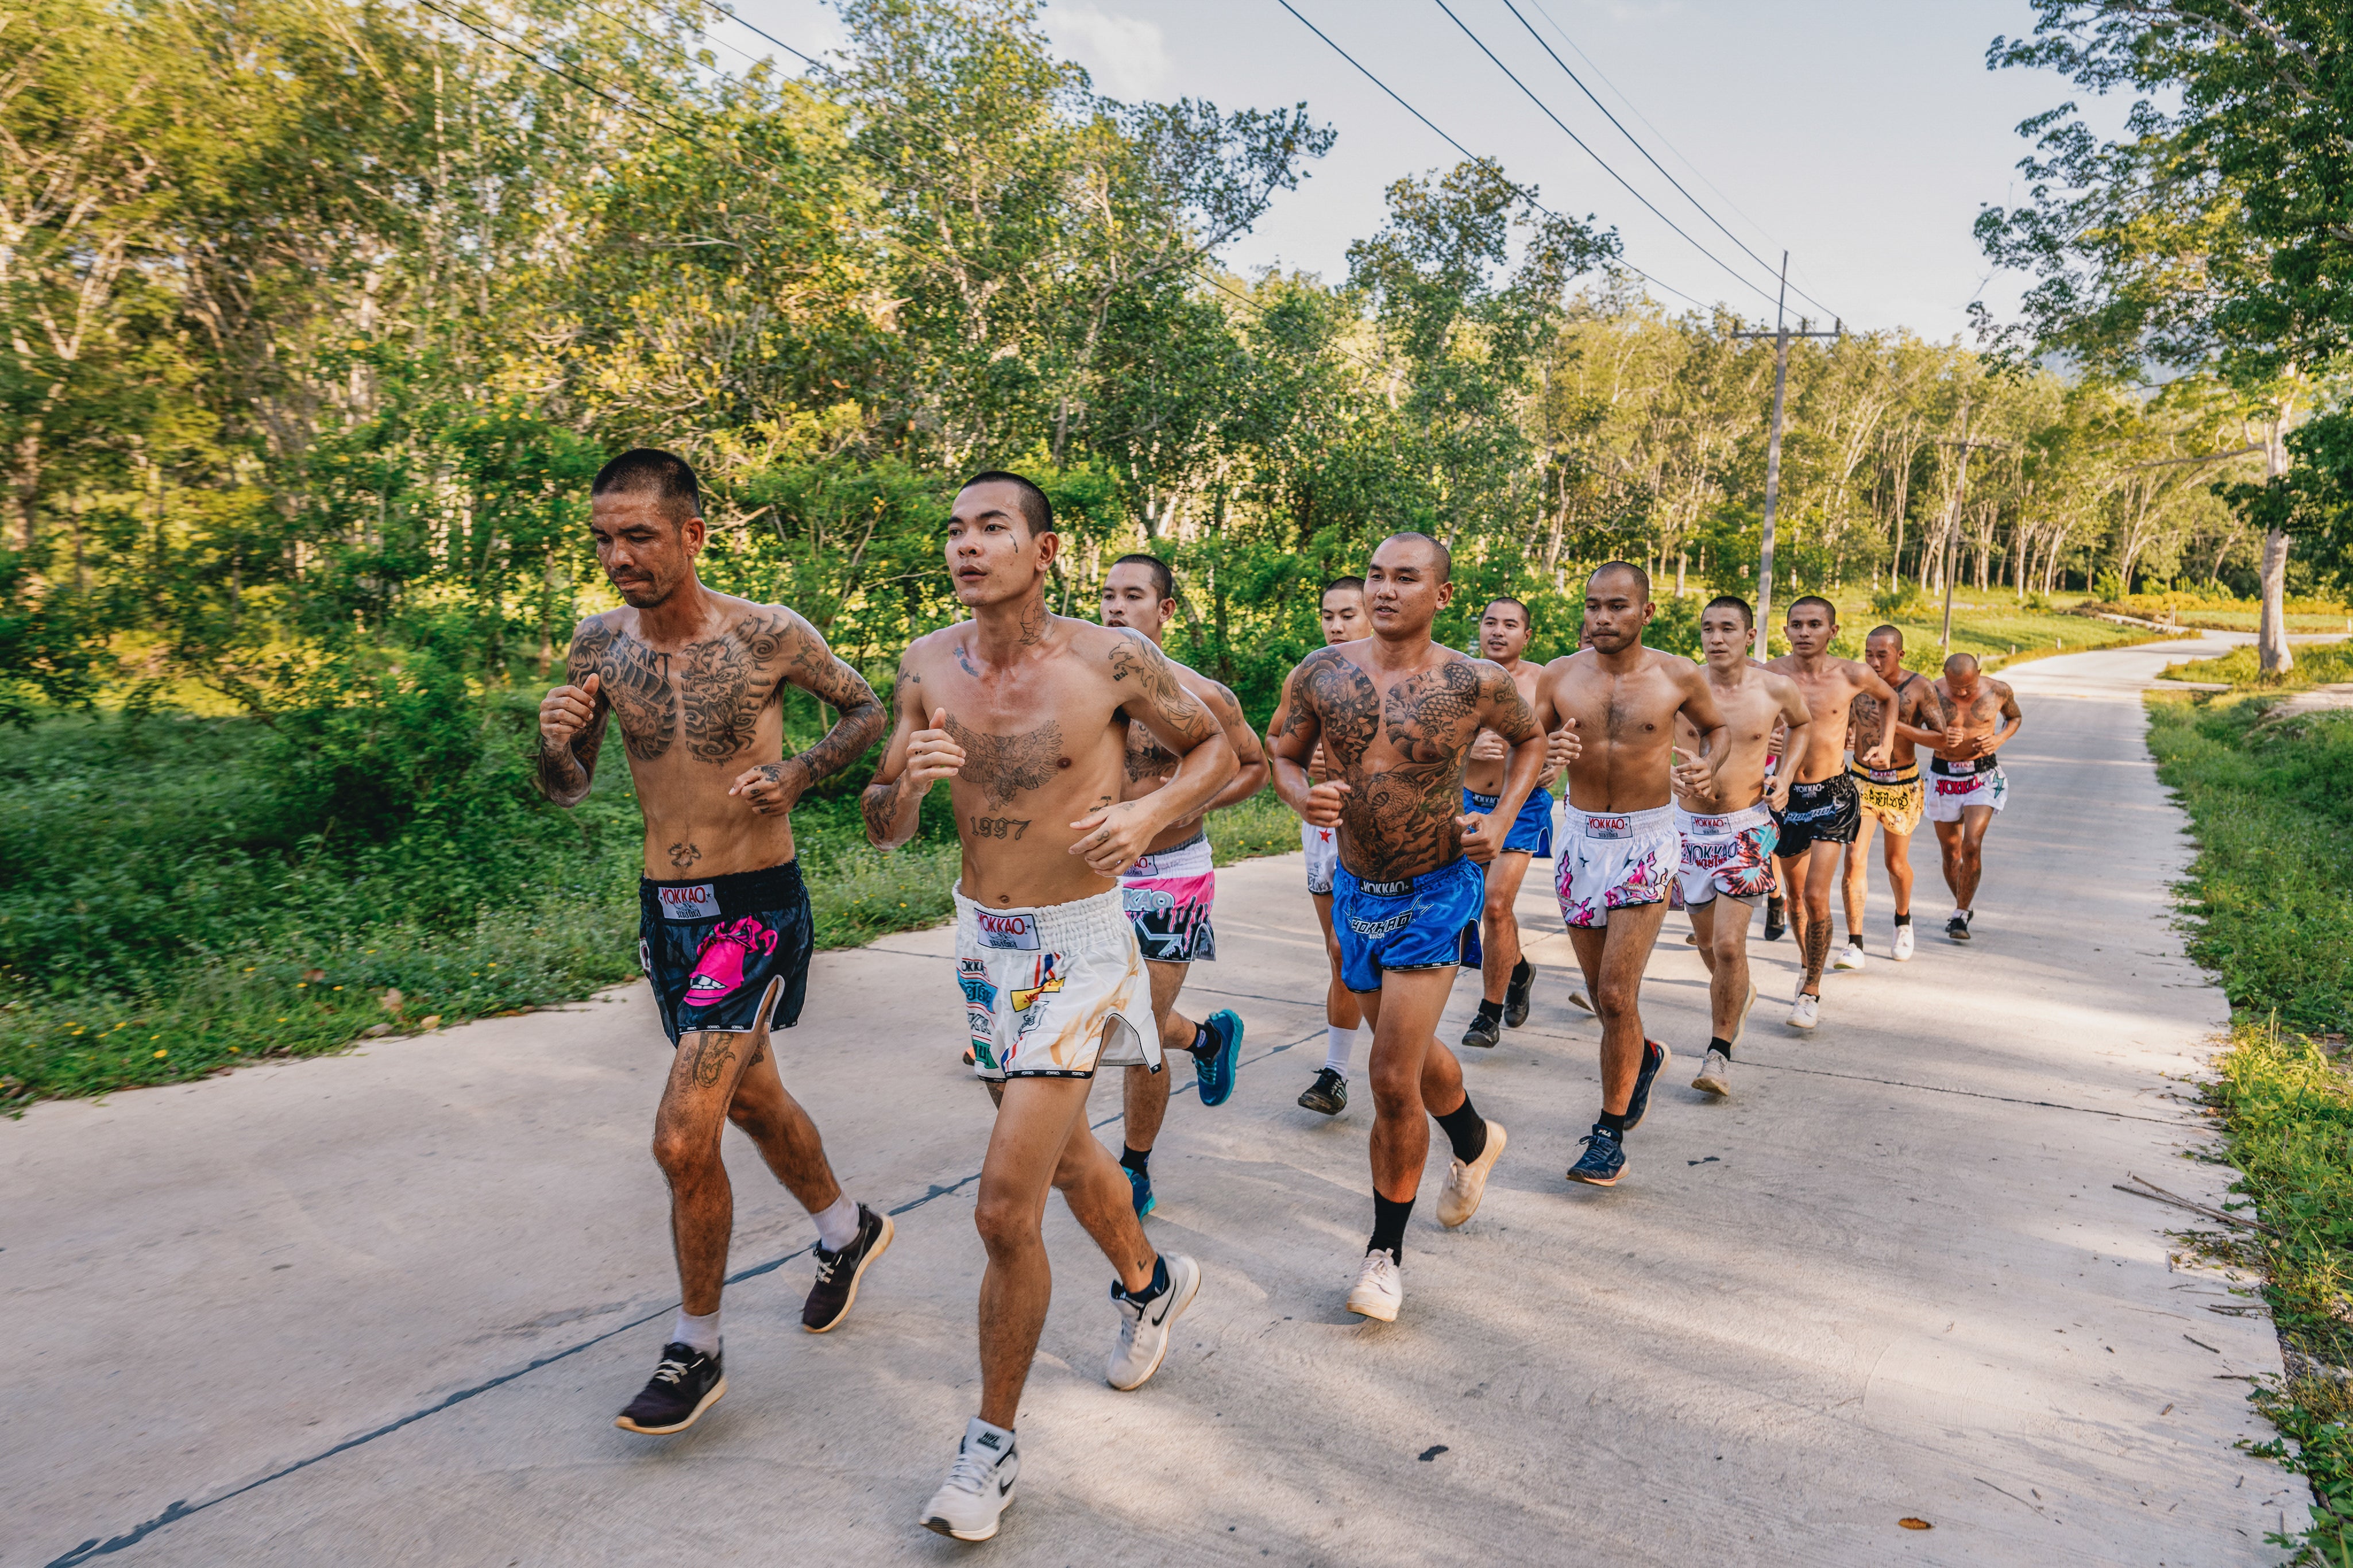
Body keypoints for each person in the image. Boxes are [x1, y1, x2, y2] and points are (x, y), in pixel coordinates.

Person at [861, 472, 1236, 1543]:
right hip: (985, 946)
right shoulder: (927, 664)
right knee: (1071, 1161)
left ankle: (989, 1448)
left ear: (1045, 549)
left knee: (1000, 1208)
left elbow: (1219, 747)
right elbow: (880, 822)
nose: (967, 547)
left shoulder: (1108, 659)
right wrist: (909, 789)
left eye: (991, 528)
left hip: (1079, 949)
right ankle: (1151, 1281)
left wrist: (1154, 806)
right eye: (954, 531)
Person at [535, 449, 893, 1437]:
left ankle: (697, 1347)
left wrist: (799, 774)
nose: (617, 557)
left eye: (638, 535)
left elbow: (865, 709)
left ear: (691, 534)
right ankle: (845, 1229)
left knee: (681, 1133)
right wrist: (556, 741)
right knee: (754, 1098)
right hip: (667, 909)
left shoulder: (769, 633)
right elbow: (567, 787)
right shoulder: (597, 646)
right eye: (603, 539)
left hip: (752, 907)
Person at [1268, 532, 1541, 1323]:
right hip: (1358, 887)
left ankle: (1384, 1254)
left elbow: (1529, 740)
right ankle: (1475, 1134)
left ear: (1443, 594)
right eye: (1377, 575)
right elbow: (1281, 752)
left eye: (1406, 578)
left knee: (1390, 1075)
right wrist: (1300, 796)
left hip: (1437, 886)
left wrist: (1501, 817)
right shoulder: (1320, 672)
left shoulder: (1474, 679)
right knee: (1406, 1048)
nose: (1386, 589)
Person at [1532, 562, 1726, 1186]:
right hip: (1580, 839)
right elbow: (1526, 751)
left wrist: (1704, 765)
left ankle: (1607, 1135)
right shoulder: (1558, 676)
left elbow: (1717, 730)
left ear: (1645, 613)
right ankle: (1641, 1056)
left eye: (1616, 607)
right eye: (1592, 606)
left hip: (1647, 840)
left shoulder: (1676, 675)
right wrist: (1544, 759)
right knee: (1601, 996)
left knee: (1617, 995)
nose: (1601, 619)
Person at [1098, 553, 1271, 1214]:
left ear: (1165, 609)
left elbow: (1250, 766)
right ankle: (1207, 1038)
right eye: (1108, 595)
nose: (1115, 607)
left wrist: (1188, 803)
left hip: (1171, 877)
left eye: (1133, 596)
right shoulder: (1083, 685)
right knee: (1097, 1015)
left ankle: (1134, 1167)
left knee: (1134, 1026)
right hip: (1097, 875)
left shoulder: (1202, 694)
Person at [1671, 597, 1812, 1098]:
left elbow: (1802, 724)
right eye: (1708, 628)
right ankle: (1739, 992)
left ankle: (1719, 1053)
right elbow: (1648, 742)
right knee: (1710, 948)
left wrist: (1787, 776)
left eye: (1728, 628)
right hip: (1688, 832)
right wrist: (1668, 775)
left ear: (1749, 636)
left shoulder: (1774, 688)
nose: (1716, 638)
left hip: (1746, 828)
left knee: (1730, 945)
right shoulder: (1680, 685)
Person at [1266, 577, 1372, 1115]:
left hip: (1383, 832)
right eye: (1328, 615)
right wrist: (1302, 773)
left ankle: (1402, 1058)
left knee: (1359, 953)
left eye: (1348, 614)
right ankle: (1336, 1073)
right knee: (1338, 951)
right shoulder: (1307, 673)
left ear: (1372, 615)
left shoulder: (1393, 673)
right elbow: (1275, 741)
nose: (1336, 625)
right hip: (1324, 827)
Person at [1763, 597, 1895, 1031]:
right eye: (1796, 624)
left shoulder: (1851, 674)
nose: (1804, 632)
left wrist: (1886, 743)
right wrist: (1765, 741)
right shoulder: (1769, 674)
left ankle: (1811, 989)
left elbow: (1889, 698)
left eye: (1814, 624)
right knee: (1797, 899)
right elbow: (1738, 717)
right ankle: (1807, 964)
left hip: (1833, 795)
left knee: (1818, 896)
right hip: (1788, 796)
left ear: (1832, 631)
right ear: (1786, 631)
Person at [1459, 597, 1563, 1051]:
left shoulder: (1543, 682)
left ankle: (1488, 1013)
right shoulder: (1457, 677)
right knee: (1471, 908)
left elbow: (1562, 738)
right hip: (1466, 803)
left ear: (1527, 635)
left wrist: (1554, 760)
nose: (1498, 631)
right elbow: (1429, 749)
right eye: (1489, 623)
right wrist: (1468, 751)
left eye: (1510, 625)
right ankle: (1518, 970)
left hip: (1521, 808)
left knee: (1497, 905)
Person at [1837, 624, 1943, 965]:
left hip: (1902, 783)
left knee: (1895, 864)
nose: (1874, 662)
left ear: (1900, 654)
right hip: (1862, 780)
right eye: (1868, 654)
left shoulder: (1919, 687)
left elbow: (1941, 738)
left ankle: (1903, 919)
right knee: (1854, 859)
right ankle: (1855, 942)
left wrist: (1894, 725)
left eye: (1882, 655)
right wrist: (1846, 736)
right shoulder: (1857, 681)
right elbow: (1843, 723)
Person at [1926, 652, 2023, 941]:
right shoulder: (1930, 692)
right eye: (1956, 688)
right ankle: (1964, 905)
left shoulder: (1999, 690)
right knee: (1951, 851)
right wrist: (1940, 738)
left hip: (1982, 776)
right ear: (1945, 675)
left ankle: (1960, 913)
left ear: (1979, 672)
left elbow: (2015, 718)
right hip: (1943, 776)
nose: (1964, 693)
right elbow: (1911, 729)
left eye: (1969, 685)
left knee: (1972, 845)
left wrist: (1998, 739)